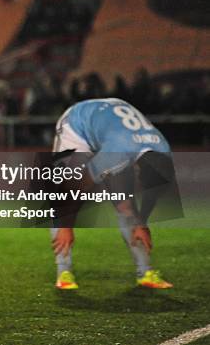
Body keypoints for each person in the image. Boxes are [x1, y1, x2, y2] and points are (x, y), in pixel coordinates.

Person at [50, 98, 176, 290]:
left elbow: (155, 188)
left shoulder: (163, 151)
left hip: (112, 129)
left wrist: (142, 221)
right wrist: (66, 226)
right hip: (77, 126)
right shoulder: (117, 153)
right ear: (137, 170)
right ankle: (63, 272)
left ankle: (145, 272)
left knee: (125, 206)